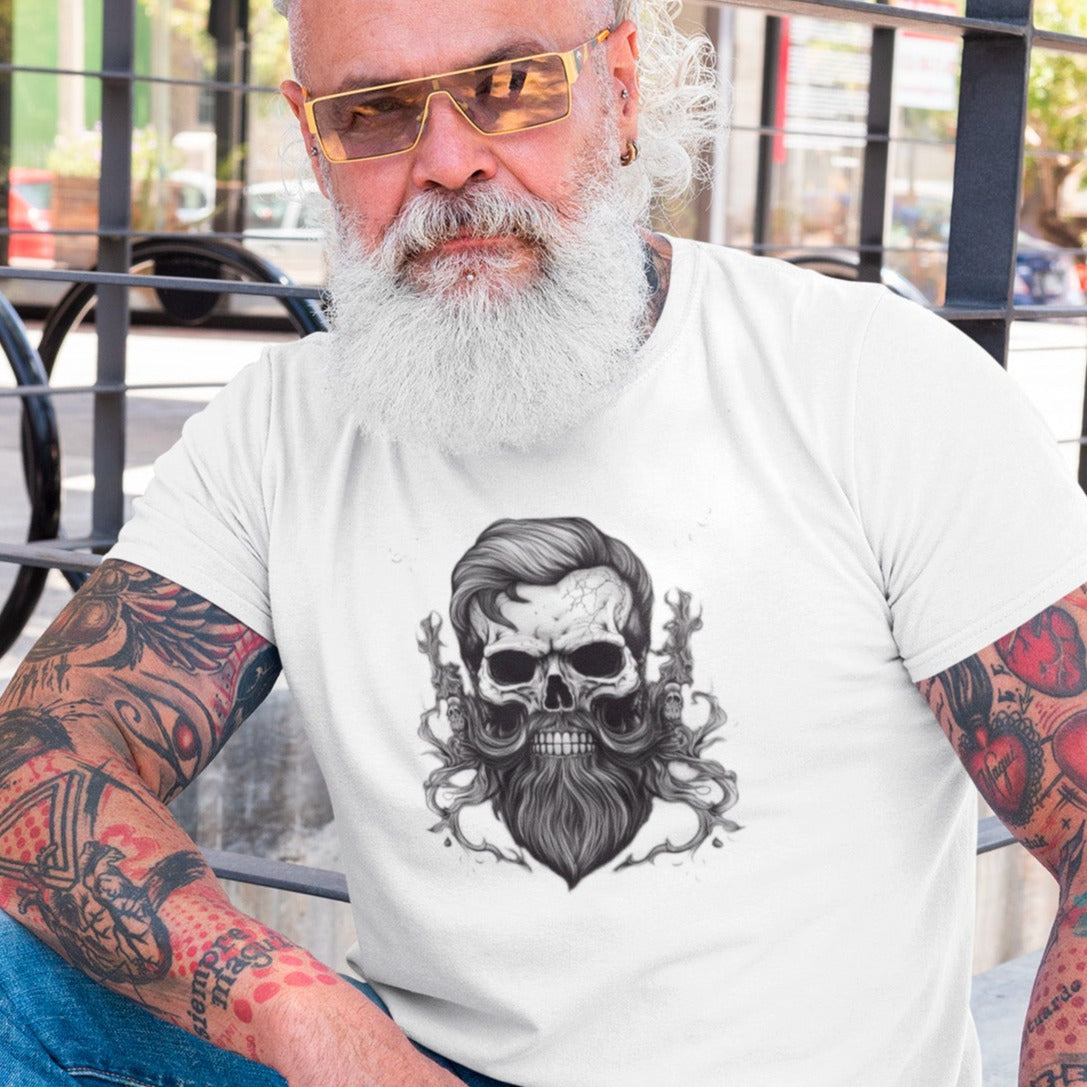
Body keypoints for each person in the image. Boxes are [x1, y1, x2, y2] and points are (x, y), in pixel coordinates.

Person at [1, 0, 1086, 1083]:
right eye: (373, 111)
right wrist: (308, 1021)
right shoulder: (282, 428)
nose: (448, 161)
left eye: (511, 88)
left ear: (622, 90)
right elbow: (39, 756)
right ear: (316, 142)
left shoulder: (872, 386)